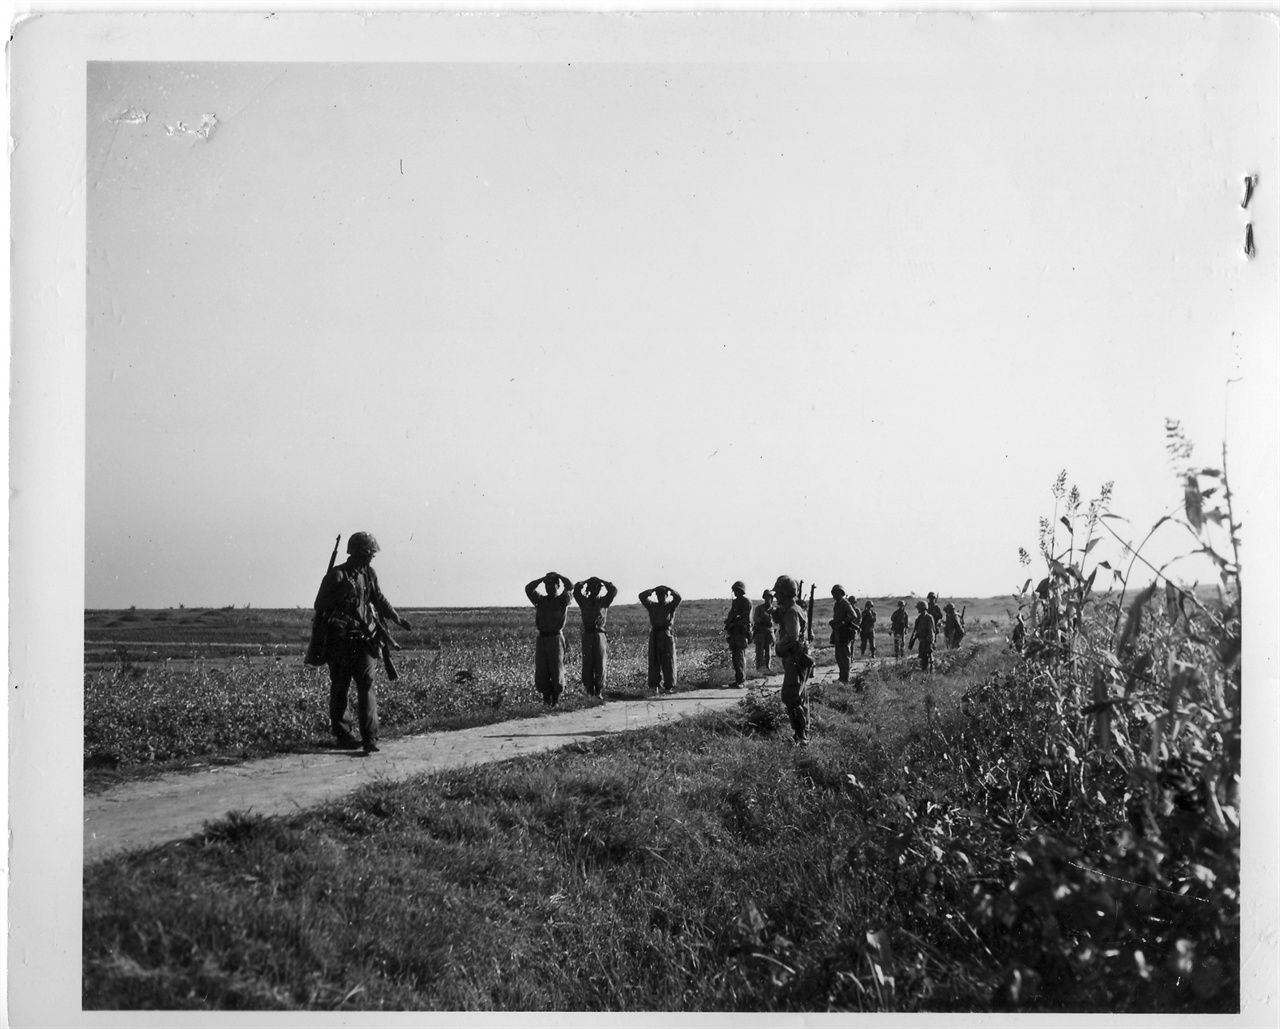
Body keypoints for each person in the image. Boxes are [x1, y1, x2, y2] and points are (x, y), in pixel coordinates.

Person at [312, 532, 412, 754]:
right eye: (368, 553)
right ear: (356, 552)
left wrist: (395, 617)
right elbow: (320, 605)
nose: (371, 557)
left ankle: (370, 738)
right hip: (339, 642)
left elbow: (378, 597)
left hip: (364, 639)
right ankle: (344, 736)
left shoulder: (368, 573)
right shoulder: (337, 576)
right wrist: (341, 594)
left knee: (366, 686)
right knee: (340, 688)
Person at [772, 575, 812, 746]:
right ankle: (802, 734)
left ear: (786, 594)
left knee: (791, 696)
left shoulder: (791, 612)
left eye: (779, 593)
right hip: (797, 659)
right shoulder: (794, 609)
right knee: (799, 696)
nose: (776, 597)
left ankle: (801, 736)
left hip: (795, 660)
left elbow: (793, 637)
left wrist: (779, 647)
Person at [525, 572, 574, 706]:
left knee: (556, 669)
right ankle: (546, 701)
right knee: (542, 670)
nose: (549, 587)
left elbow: (570, 586)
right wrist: (541, 579)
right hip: (542, 639)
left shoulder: (563, 600)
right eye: (547, 585)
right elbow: (528, 589)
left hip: (556, 638)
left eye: (553, 584)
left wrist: (558, 575)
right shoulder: (541, 600)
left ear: (558, 586)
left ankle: (555, 701)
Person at [573, 576, 618, 697]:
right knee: (587, 662)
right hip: (587, 634)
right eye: (592, 587)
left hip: (599, 634)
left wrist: (602, 580)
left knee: (600, 662)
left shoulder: (604, 601)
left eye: (597, 587)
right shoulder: (583, 601)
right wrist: (586, 581)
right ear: (588, 588)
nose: (595, 589)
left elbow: (613, 590)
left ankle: (598, 690)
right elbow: (576, 590)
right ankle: (589, 689)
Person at [639, 584, 682, 693]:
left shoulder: (670, 606)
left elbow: (678, 598)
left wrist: (670, 589)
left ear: (666, 596)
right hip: (655, 633)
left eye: (663, 595)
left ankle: (669, 686)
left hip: (666, 633)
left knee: (668, 660)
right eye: (658, 595)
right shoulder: (652, 606)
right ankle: (655, 685)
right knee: (654, 660)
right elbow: (642, 597)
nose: (660, 597)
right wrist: (651, 590)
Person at [723, 580, 753, 686]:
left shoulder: (746, 602)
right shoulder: (735, 602)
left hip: (741, 632)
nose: (734, 592)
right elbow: (732, 614)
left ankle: (741, 680)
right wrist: (728, 622)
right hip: (735, 633)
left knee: (740, 656)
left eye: (736, 590)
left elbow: (747, 619)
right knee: (735, 657)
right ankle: (738, 679)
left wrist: (734, 624)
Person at [829, 584, 859, 683]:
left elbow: (853, 615)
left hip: (844, 632)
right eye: (833, 593)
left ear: (841, 593)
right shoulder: (837, 605)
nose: (834, 595)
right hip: (838, 632)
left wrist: (843, 622)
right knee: (838, 656)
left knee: (845, 656)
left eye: (836, 593)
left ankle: (846, 678)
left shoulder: (845, 603)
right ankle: (841, 677)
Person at [909, 600, 935, 671]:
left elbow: (931, 630)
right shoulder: (919, 618)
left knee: (928, 657)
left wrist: (930, 642)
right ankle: (924, 671)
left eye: (919, 608)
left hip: (927, 641)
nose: (918, 610)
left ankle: (930, 672)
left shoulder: (929, 617)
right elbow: (916, 630)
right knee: (922, 657)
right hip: (922, 641)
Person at [753, 590, 776, 671]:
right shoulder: (759, 608)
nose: (768, 599)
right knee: (759, 651)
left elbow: (775, 622)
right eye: (766, 597)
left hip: (769, 631)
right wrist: (765, 619)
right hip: (760, 631)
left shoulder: (774, 610)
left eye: (769, 597)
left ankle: (768, 667)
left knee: (768, 651)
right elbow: (756, 619)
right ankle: (759, 668)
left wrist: (769, 620)